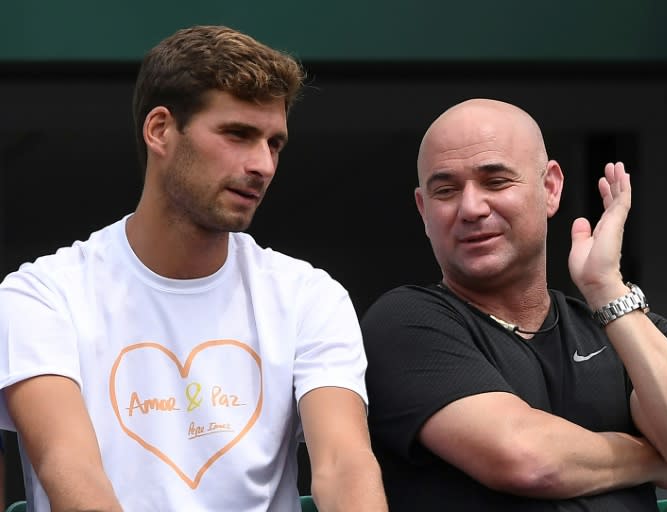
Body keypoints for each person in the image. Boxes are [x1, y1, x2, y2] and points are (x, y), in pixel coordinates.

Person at [0, 25, 387, 512]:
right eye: (238, 135)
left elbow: (343, 464)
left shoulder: (309, 294)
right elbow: (70, 470)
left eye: (274, 143)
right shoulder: (42, 294)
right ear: (160, 130)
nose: (263, 164)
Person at [360, 98, 667, 511]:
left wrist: (606, 289)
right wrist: (662, 461)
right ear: (423, 210)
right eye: (446, 191)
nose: (471, 208)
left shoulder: (619, 326)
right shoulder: (404, 321)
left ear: (550, 187)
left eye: (495, 182)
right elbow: (525, 459)